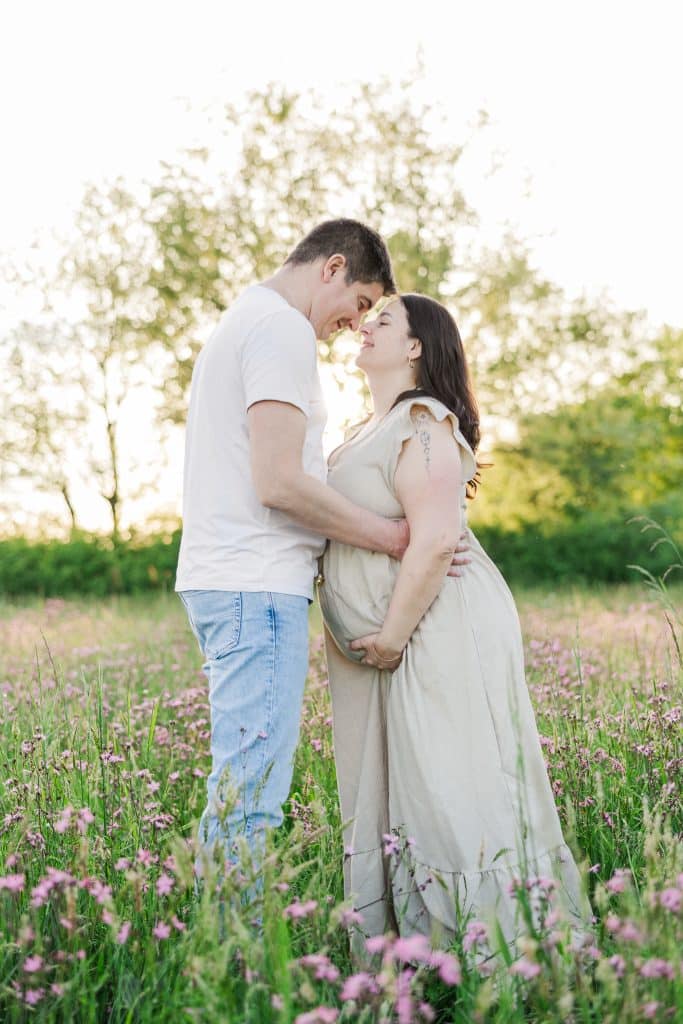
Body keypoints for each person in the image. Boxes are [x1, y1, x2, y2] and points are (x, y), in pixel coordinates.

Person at [175, 220, 467, 879]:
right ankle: (233, 967)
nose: (352, 325)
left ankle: (222, 951)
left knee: (241, 785)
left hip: (228, 578)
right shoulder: (279, 329)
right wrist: (396, 538)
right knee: (250, 799)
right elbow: (279, 481)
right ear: (332, 268)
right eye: (360, 304)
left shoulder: (243, 320)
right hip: (255, 584)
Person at [317, 293, 591, 961]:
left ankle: (500, 960)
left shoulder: (423, 423)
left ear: (415, 348)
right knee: (410, 791)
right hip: (399, 639)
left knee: (450, 786)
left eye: (383, 321)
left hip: (432, 630)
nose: (365, 327)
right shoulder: (372, 426)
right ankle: (422, 957)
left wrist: (389, 636)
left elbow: (437, 542)